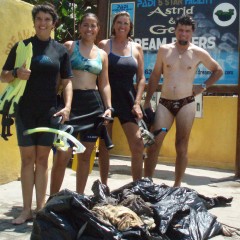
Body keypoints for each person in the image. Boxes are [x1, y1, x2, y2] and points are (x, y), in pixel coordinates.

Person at [0, 3, 73, 224]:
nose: (42, 23)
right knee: (27, 160)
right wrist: (15, 73)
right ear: (34, 22)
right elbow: (3, 75)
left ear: (53, 24)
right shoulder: (22, 46)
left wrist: (67, 106)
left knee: (43, 160)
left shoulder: (60, 50)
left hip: (49, 111)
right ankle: (25, 210)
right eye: (39, 19)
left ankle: (41, 209)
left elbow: (67, 81)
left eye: (47, 20)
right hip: (25, 110)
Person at [143, 15, 223, 187]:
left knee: (181, 145)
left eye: (187, 31)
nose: (183, 34)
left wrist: (202, 86)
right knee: (154, 143)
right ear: (175, 31)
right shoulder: (164, 50)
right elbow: (156, 75)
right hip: (165, 103)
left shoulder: (198, 52)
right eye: (180, 30)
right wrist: (147, 100)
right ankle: (146, 183)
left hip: (186, 103)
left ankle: (177, 186)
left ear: (192, 32)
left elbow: (218, 70)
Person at [50, 13, 112, 195]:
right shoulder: (69, 47)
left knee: (86, 156)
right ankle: (52, 199)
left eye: (93, 26)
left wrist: (108, 107)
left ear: (98, 29)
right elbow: (57, 76)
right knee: (63, 154)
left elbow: (105, 83)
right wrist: (53, 101)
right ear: (80, 27)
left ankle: (79, 198)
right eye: (85, 25)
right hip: (70, 105)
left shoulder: (102, 54)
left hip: (93, 106)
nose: (89, 29)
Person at [98, 11, 146, 185]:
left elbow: (141, 79)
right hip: (106, 100)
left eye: (126, 23)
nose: (122, 26)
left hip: (128, 100)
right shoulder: (104, 45)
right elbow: (97, 73)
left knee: (138, 144)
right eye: (119, 22)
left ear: (130, 27)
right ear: (113, 25)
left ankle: (137, 187)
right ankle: (104, 186)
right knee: (104, 146)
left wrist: (137, 103)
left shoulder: (137, 48)